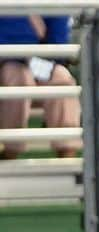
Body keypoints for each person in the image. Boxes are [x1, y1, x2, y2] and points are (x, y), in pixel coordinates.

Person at [0, 14, 80, 159]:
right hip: (6, 60)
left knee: (62, 79)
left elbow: (59, 39)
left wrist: (42, 55)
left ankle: (67, 154)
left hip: (37, 61)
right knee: (20, 80)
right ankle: (11, 151)